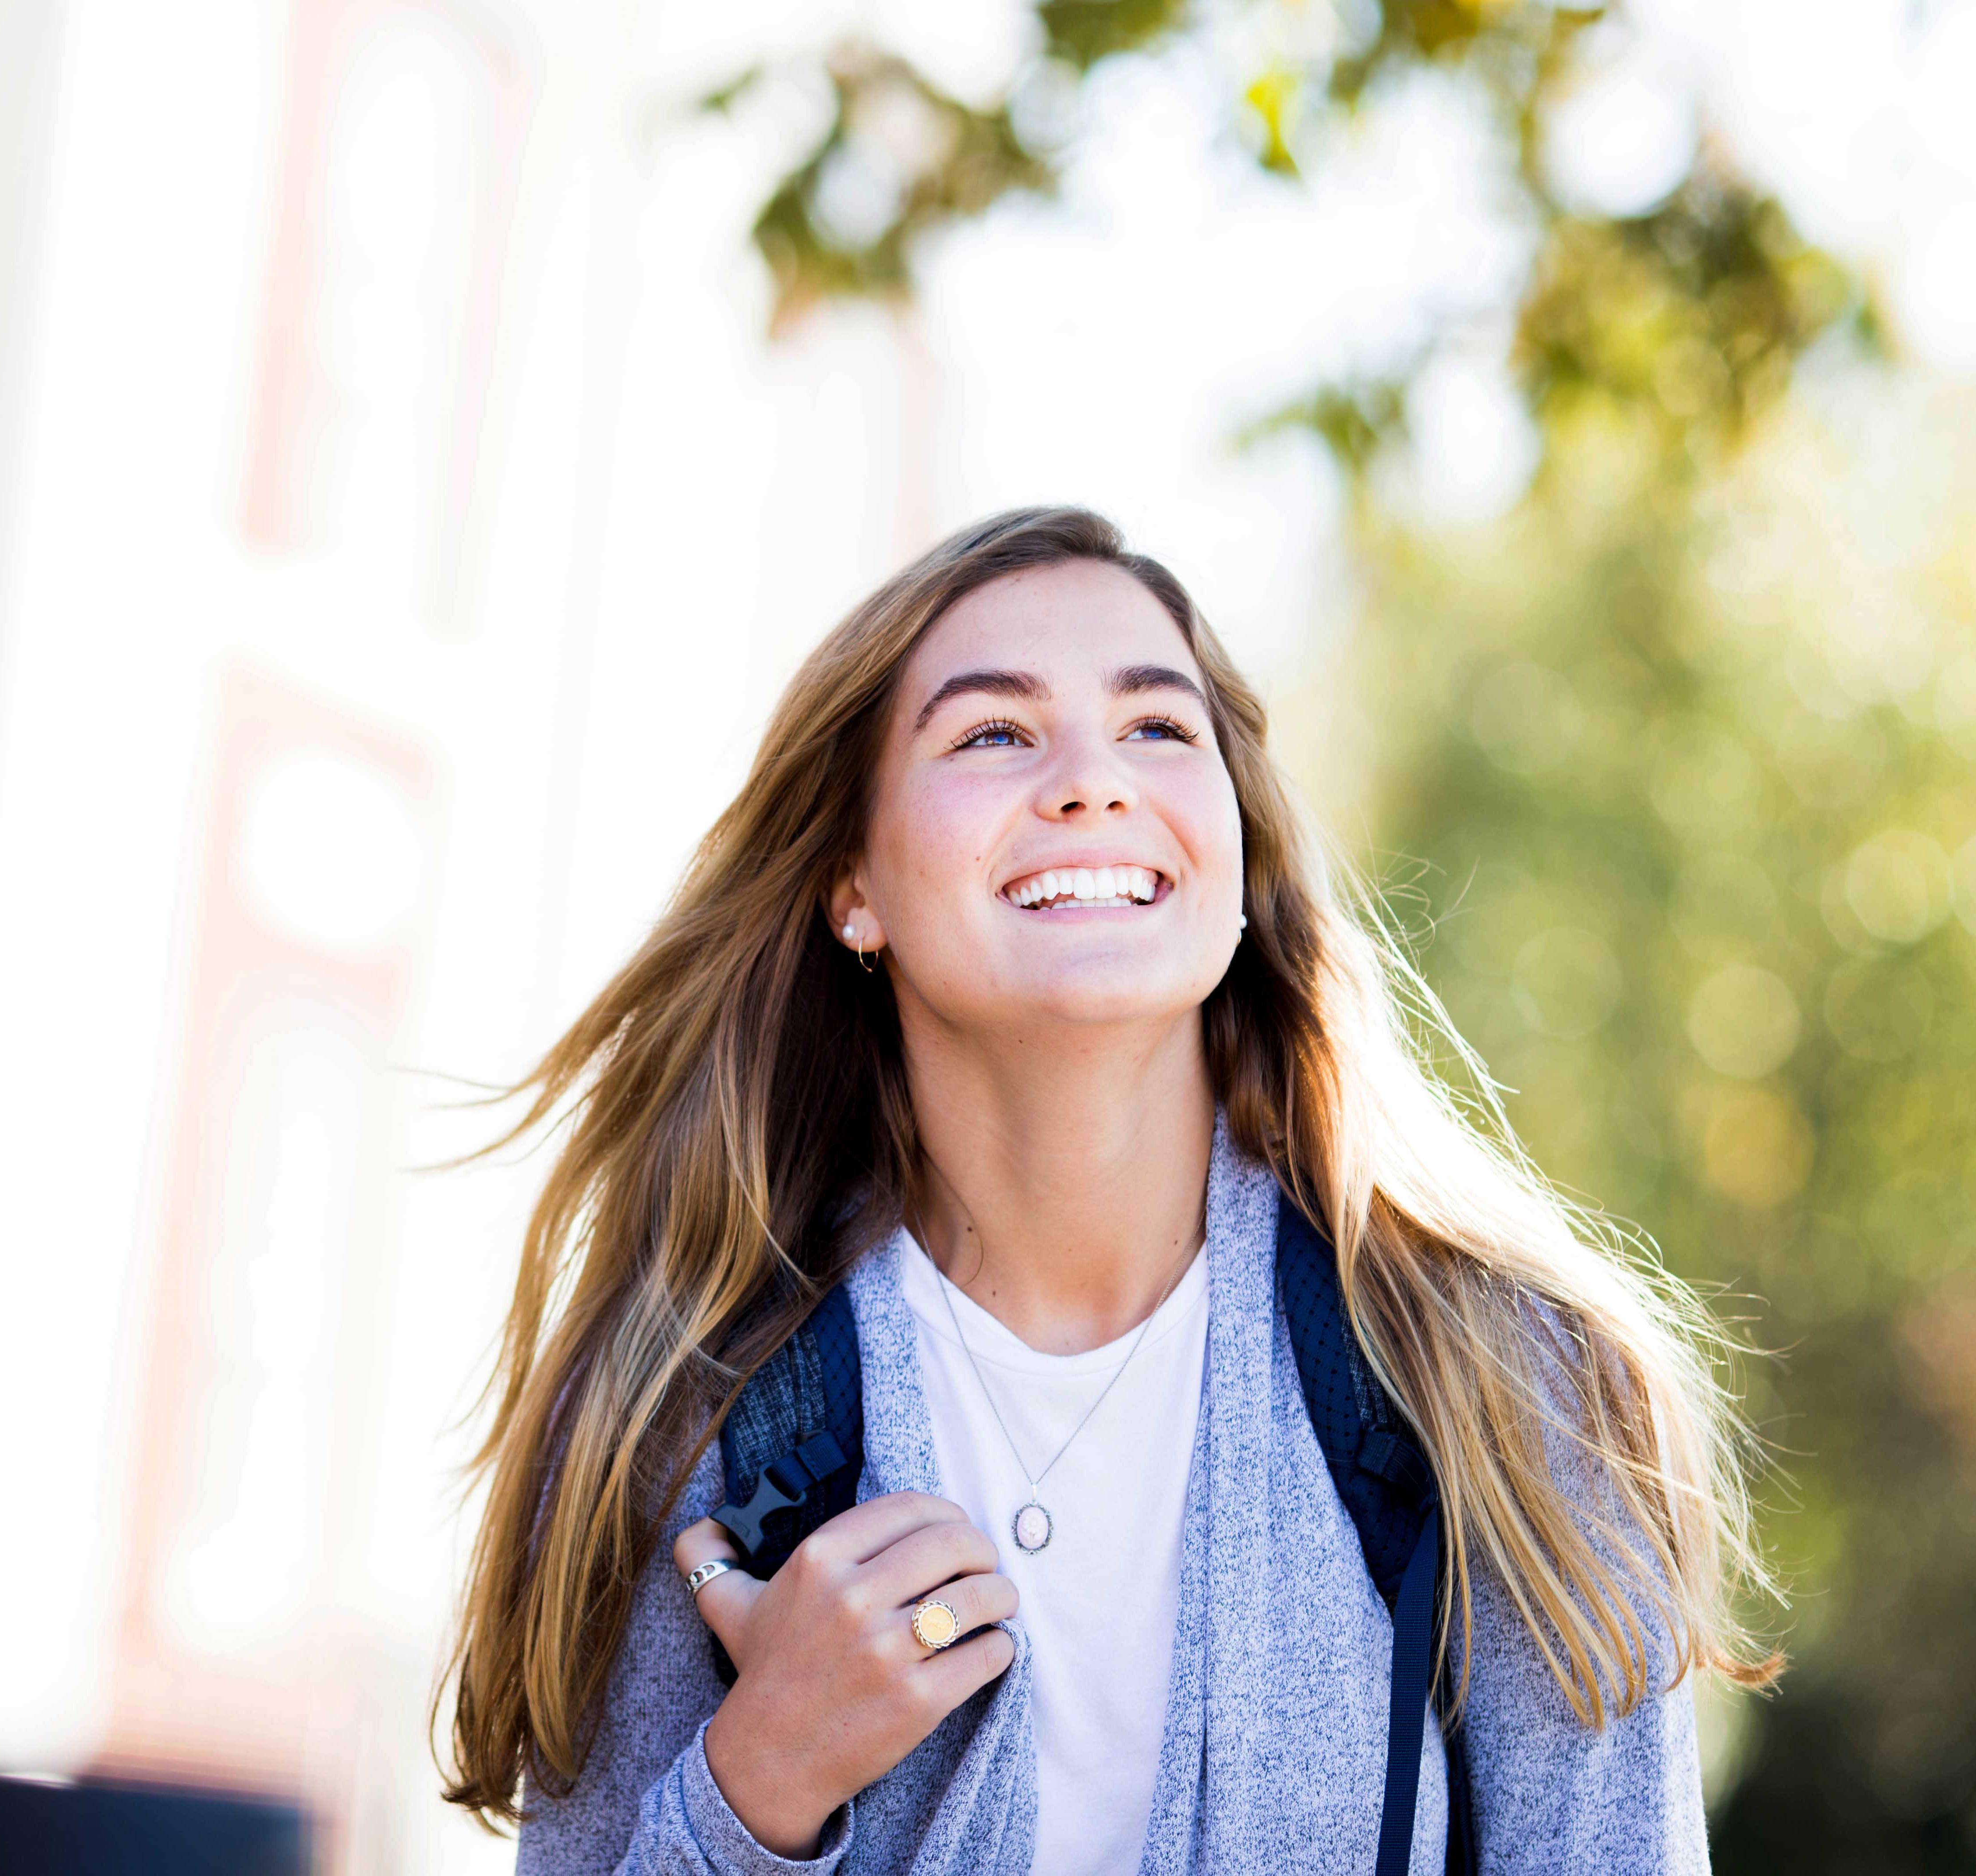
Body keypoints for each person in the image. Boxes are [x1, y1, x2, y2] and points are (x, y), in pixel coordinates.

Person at [439, 506, 1779, 1873]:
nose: (1093, 783)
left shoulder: (1503, 1385)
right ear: (854, 884)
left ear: (1237, 854)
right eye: (991, 735)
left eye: (1156, 729)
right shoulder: (683, 1417)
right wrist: (757, 1783)